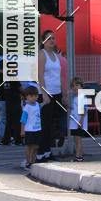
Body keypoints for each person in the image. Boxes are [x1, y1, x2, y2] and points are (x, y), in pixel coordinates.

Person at [37, 30, 67, 162]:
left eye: (53, 38)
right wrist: (44, 94)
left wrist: (64, 94)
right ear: (43, 41)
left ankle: (48, 152)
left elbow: (60, 76)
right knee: (45, 124)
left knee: (53, 125)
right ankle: (40, 153)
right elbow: (40, 75)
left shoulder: (56, 56)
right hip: (46, 94)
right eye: (49, 38)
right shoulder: (42, 55)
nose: (52, 41)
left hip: (57, 93)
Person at [20, 85, 42, 168]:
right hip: (29, 130)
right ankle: (28, 161)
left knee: (36, 146)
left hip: (37, 129)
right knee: (29, 146)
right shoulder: (27, 108)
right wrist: (22, 130)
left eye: (36, 96)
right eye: (31, 96)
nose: (34, 98)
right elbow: (23, 120)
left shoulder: (38, 105)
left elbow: (41, 107)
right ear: (27, 97)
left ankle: (33, 160)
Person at [69, 76, 88, 162]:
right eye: (73, 86)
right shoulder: (76, 98)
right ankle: (80, 156)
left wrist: (81, 121)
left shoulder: (82, 97)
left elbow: (84, 110)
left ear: (81, 86)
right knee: (77, 140)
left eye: (77, 85)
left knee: (78, 139)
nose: (75, 87)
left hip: (79, 122)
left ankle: (78, 157)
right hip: (74, 122)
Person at [0, 59, 7, 145]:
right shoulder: (1, 76)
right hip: (3, 100)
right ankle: (1, 137)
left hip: (0, 100)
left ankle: (3, 136)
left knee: (3, 119)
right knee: (3, 119)